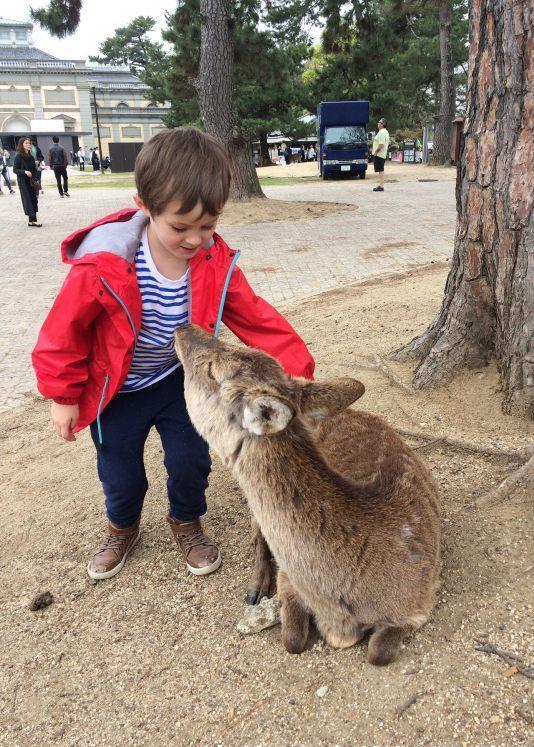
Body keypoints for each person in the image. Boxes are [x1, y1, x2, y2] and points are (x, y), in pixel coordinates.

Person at [32, 126, 315, 582]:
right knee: (121, 472)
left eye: (208, 225)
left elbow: (257, 318)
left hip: (177, 382)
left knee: (190, 459)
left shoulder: (213, 260)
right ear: (144, 206)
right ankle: (121, 527)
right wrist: (63, 395)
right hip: (117, 390)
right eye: (180, 227)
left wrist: (299, 376)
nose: (194, 239)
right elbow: (63, 331)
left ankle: (186, 520)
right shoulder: (104, 264)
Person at [13, 137, 41, 227]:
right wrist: (25, 172)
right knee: (28, 200)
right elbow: (15, 170)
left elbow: (34, 170)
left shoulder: (31, 157)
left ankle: (31, 221)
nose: (28, 145)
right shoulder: (18, 156)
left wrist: (37, 175)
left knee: (34, 200)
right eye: (26, 143)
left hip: (31, 182)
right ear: (22, 145)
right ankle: (33, 220)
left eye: (29, 143)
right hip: (23, 182)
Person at [371, 117, 390, 192]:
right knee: (380, 170)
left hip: (379, 154)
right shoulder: (385, 132)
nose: (378, 123)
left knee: (381, 170)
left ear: (383, 124)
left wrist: (376, 152)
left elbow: (381, 144)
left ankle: (381, 186)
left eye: (379, 122)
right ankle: (381, 185)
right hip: (382, 154)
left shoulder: (382, 132)